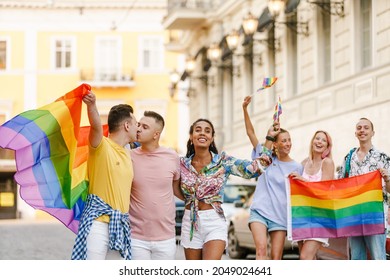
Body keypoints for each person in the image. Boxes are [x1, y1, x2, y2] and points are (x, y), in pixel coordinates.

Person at [179, 118, 270, 260]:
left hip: (214, 221)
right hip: (189, 222)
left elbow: (254, 169)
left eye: (207, 131)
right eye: (198, 130)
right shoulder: (182, 164)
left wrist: (269, 139)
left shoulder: (223, 161)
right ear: (191, 136)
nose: (203, 133)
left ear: (211, 138)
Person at [71, 92, 138, 260]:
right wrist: (92, 106)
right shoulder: (101, 146)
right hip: (98, 224)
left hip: (120, 224)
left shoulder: (129, 152)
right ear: (127, 126)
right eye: (136, 123)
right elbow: (95, 127)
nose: (138, 128)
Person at [242, 95, 303, 260]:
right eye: (284, 140)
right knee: (261, 250)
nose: (288, 143)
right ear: (275, 144)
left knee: (276, 258)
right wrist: (245, 109)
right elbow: (250, 133)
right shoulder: (265, 159)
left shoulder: (297, 167)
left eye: (290, 140)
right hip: (260, 211)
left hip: (280, 215)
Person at [128, 110, 181, 260]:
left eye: (145, 127)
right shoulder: (128, 157)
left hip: (166, 237)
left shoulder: (172, 156)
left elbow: (176, 189)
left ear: (156, 134)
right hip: (136, 237)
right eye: (138, 125)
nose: (138, 129)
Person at [337, 117, 390, 260]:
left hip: (375, 217)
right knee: (356, 259)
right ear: (355, 133)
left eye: (366, 128)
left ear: (373, 132)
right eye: (359, 128)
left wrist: (387, 179)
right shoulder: (349, 158)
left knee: (378, 258)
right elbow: (340, 185)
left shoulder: (383, 158)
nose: (362, 130)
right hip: (354, 217)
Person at [289, 130, 335, 260]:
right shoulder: (303, 163)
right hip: (302, 217)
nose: (319, 142)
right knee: (308, 258)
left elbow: (324, 191)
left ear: (327, 146)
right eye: (317, 138)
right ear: (312, 141)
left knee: (305, 257)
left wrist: (302, 180)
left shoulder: (327, 163)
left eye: (323, 140)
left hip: (320, 217)